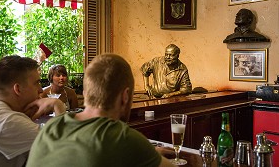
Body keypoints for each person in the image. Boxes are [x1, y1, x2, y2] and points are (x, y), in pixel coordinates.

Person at [26, 53, 176, 167]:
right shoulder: (124, 138)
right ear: (125, 96)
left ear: (85, 93)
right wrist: (147, 153)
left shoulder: (49, 129)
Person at [0, 55, 66, 167]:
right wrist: (57, 105)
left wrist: (25, 116)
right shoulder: (7, 121)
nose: (40, 89)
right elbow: (64, 149)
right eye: (36, 83)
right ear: (18, 89)